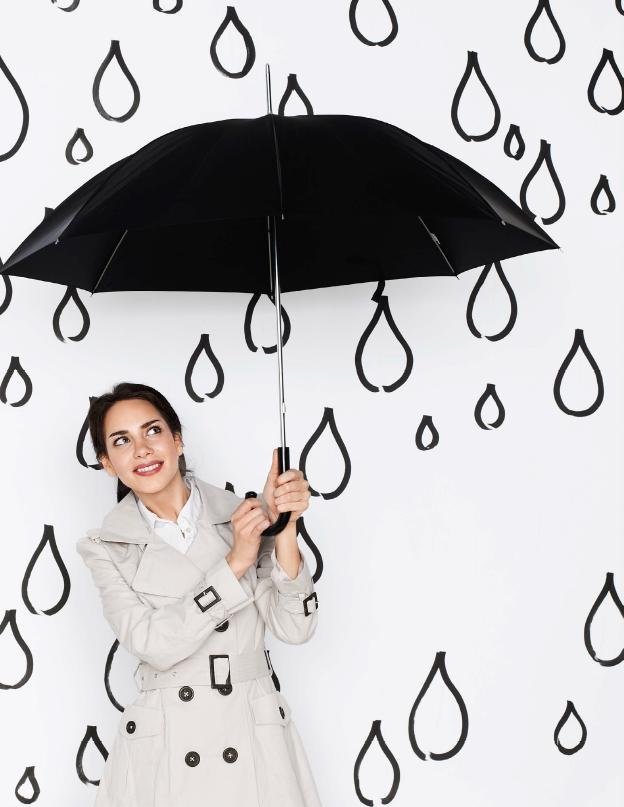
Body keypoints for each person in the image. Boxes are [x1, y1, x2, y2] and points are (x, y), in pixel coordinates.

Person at [76, 381, 321, 807]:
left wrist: (284, 525)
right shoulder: (106, 547)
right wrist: (235, 562)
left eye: (153, 431)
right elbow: (152, 644)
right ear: (107, 463)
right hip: (167, 745)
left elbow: (295, 628)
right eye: (122, 441)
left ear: (177, 439)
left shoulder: (243, 517)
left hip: (250, 730)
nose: (142, 450)